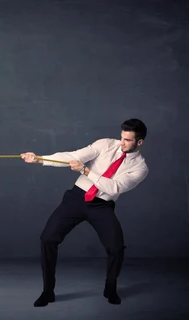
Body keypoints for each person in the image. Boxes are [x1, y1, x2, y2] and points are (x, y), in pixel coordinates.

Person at [20, 118, 149, 307]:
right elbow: (73, 156)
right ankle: (48, 292)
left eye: (127, 140)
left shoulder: (140, 168)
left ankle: (110, 289)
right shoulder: (105, 144)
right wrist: (40, 158)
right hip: (76, 199)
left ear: (140, 142)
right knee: (47, 239)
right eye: (121, 138)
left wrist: (87, 172)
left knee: (116, 248)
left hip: (101, 206)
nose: (121, 143)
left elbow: (114, 187)